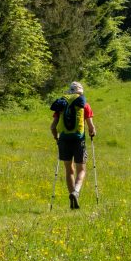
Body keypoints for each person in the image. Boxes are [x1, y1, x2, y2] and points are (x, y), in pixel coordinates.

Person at [50, 81, 96, 209]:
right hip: (78, 140)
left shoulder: (62, 105)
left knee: (69, 170)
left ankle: (72, 199)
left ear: (69, 92)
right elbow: (91, 128)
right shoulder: (85, 105)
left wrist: (57, 138)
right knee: (81, 170)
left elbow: (52, 127)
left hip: (64, 139)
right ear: (81, 93)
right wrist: (92, 132)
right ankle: (76, 192)